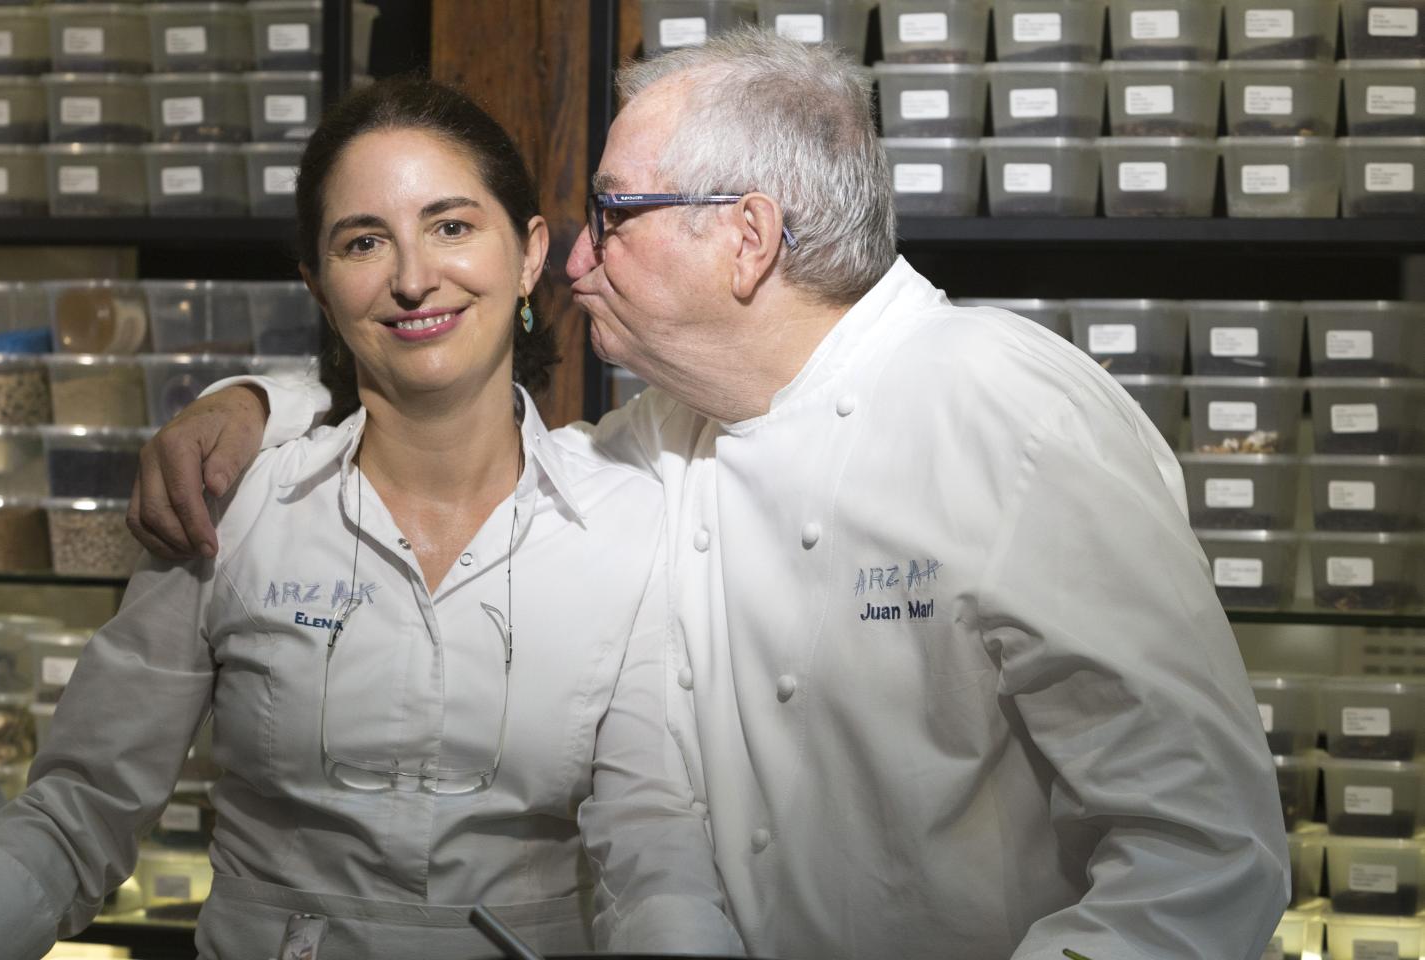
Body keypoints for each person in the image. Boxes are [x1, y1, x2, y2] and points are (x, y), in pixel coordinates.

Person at [133, 27, 1292, 960]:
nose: (577, 261)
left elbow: (1201, 853)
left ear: (746, 237)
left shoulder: (1006, 412)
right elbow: (450, 429)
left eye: (613, 216)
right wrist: (258, 403)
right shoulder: (669, 433)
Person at [0, 77, 743, 960]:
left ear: (527, 256)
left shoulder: (626, 515)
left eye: (451, 227)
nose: (413, 279)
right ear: (319, 289)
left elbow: (652, 842)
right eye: (364, 242)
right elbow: (80, 808)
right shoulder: (235, 501)